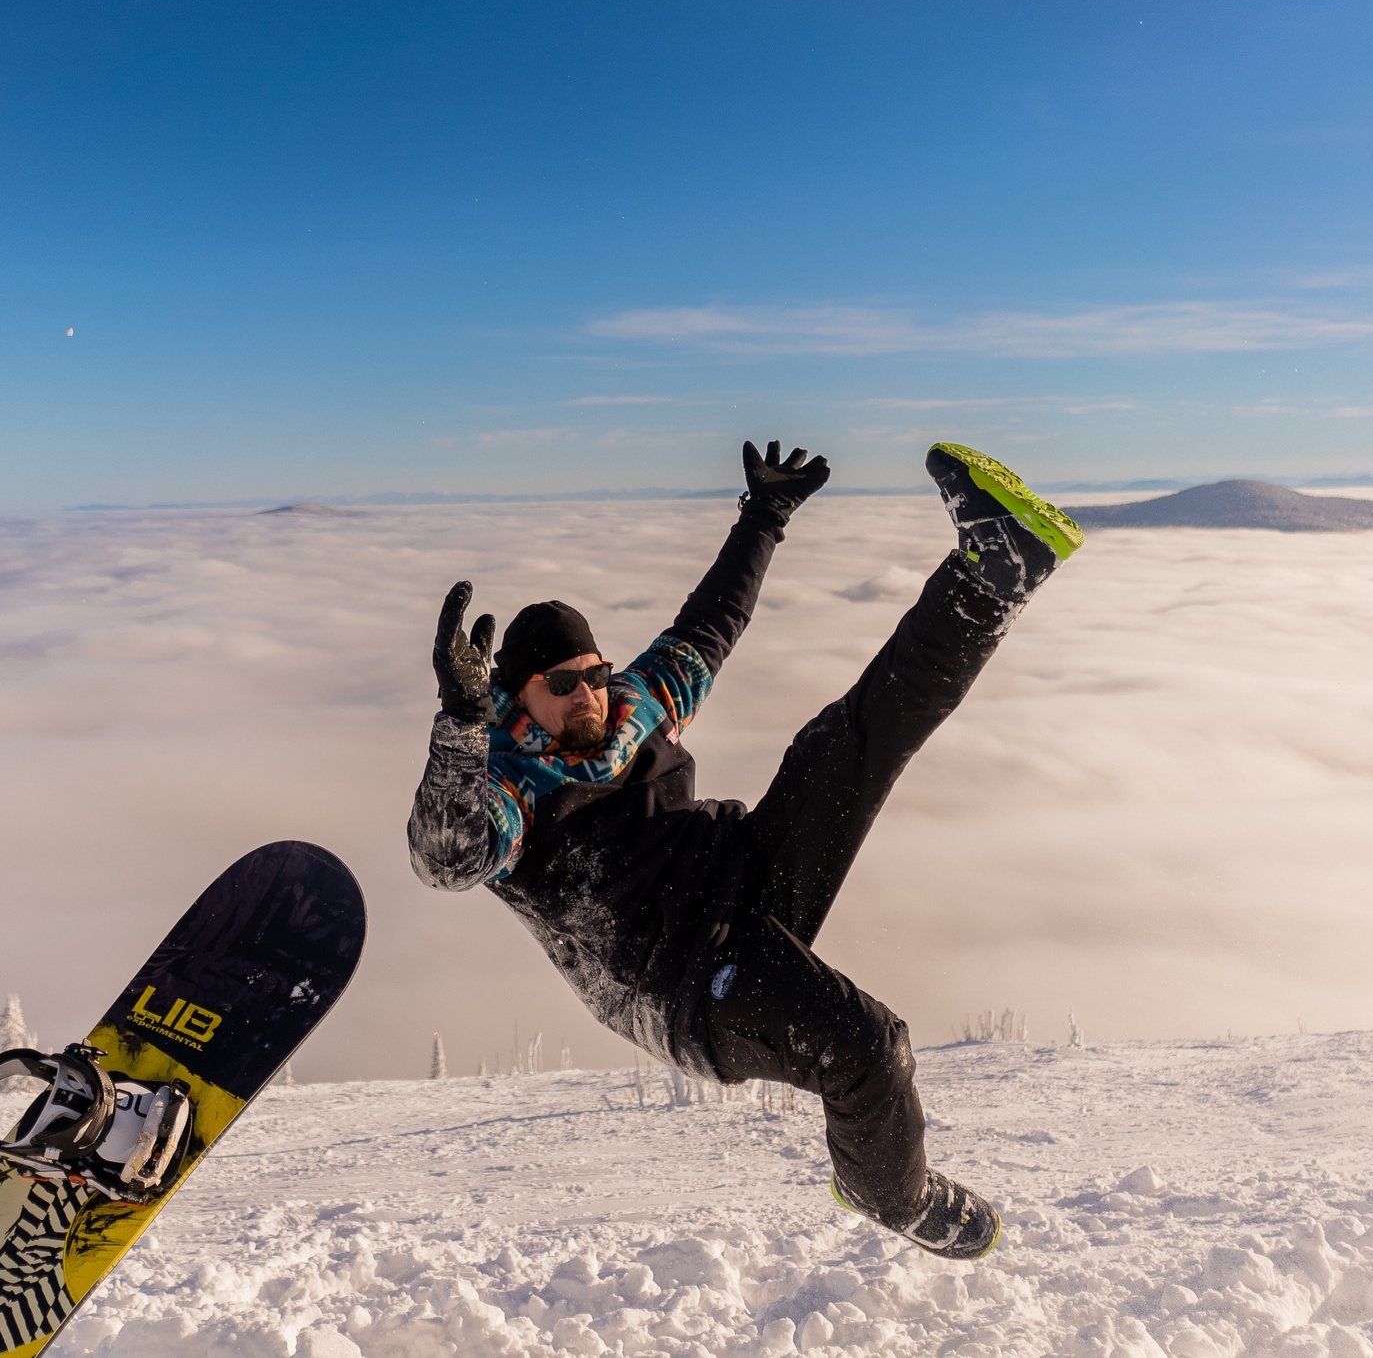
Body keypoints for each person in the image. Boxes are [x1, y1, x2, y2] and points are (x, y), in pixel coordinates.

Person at [407, 440, 1082, 1259]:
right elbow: (446, 857)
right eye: (560, 682)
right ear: (520, 698)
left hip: (745, 868)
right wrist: (460, 722)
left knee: (845, 738)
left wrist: (763, 515)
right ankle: (892, 1193)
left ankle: (989, 578)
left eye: (591, 668)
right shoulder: (512, 784)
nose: (585, 690)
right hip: (683, 980)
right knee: (868, 1046)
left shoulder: (633, 705)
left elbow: (709, 626)